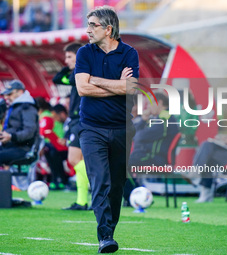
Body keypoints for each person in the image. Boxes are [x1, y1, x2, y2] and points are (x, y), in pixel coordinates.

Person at [75, 6, 139, 253]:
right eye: (88, 24)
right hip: (91, 129)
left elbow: (131, 89)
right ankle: (104, 237)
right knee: (100, 181)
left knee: (117, 185)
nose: (88, 30)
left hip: (122, 128)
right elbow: (82, 88)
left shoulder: (129, 53)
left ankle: (109, 233)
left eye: (93, 25)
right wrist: (117, 85)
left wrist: (96, 79)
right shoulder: (84, 53)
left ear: (108, 29)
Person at [52, 42, 90, 210]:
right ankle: (82, 201)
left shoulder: (80, 72)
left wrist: (72, 67)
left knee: (73, 160)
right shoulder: (76, 72)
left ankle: (103, 180)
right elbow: (57, 79)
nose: (66, 60)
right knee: (79, 160)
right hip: (79, 120)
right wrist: (68, 67)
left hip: (80, 120)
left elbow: (58, 79)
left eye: (69, 56)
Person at [0, 80, 39, 170]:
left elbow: (29, 131)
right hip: (9, 146)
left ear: (20, 92)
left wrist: (12, 136)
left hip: (23, 148)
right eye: (6, 95)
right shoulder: (14, 107)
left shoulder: (27, 107)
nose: (7, 97)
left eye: (9, 94)